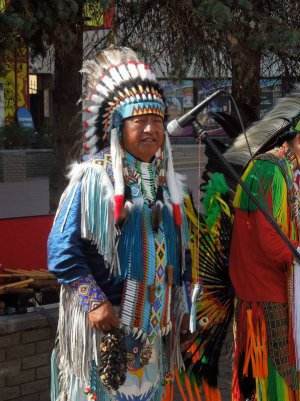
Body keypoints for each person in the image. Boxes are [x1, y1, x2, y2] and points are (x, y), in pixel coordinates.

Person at [48, 45, 192, 401]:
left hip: (154, 328)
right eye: (139, 120)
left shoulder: (166, 184)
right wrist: (94, 302)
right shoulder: (94, 178)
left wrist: (183, 303)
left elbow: (177, 253)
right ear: (118, 125)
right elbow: (61, 249)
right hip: (109, 323)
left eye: (157, 121)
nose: (151, 129)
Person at [223, 93, 300, 401]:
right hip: (264, 296)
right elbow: (271, 242)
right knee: (273, 377)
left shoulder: (289, 171)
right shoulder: (269, 169)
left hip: (280, 289)